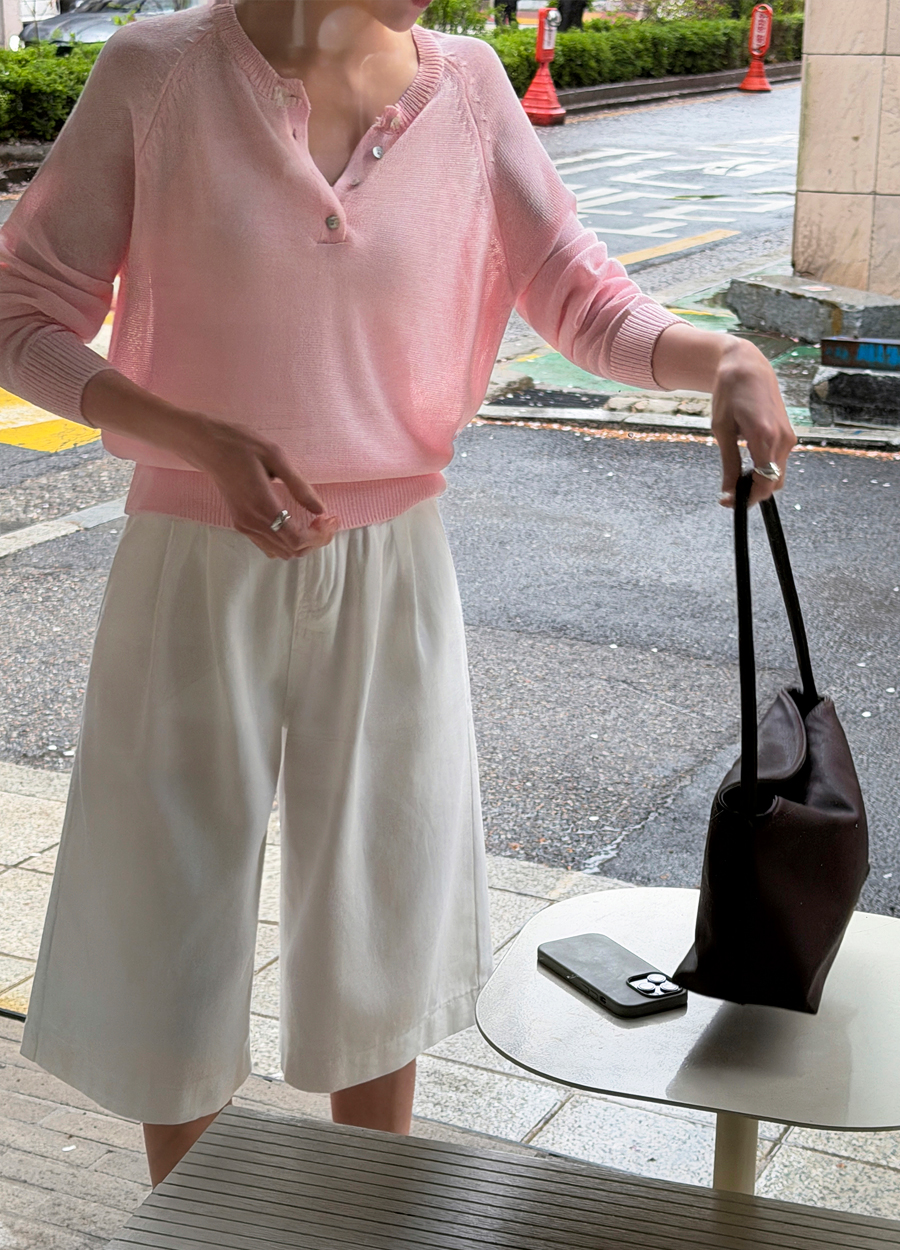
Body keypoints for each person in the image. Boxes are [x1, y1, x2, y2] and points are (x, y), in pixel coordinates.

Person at [0, 0, 794, 1189]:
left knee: (384, 904)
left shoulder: (467, 88)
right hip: (193, 559)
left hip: (391, 563)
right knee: (168, 910)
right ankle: (187, 1219)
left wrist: (722, 355)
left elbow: (581, 296)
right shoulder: (156, 73)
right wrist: (192, 436)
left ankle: (375, 1213)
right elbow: (22, 313)